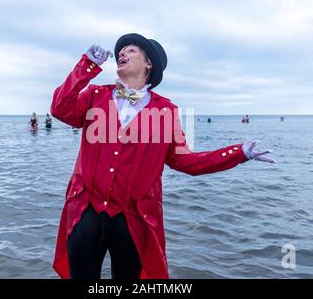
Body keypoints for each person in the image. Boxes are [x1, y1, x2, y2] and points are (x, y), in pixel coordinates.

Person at [50, 33, 276, 279]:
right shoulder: (95, 95)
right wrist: (86, 66)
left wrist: (238, 153)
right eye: (121, 51)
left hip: (133, 219)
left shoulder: (166, 111)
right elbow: (60, 109)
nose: (122, 54)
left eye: (131, 50)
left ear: (148, 64)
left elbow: (186, 161)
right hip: (85, 212)